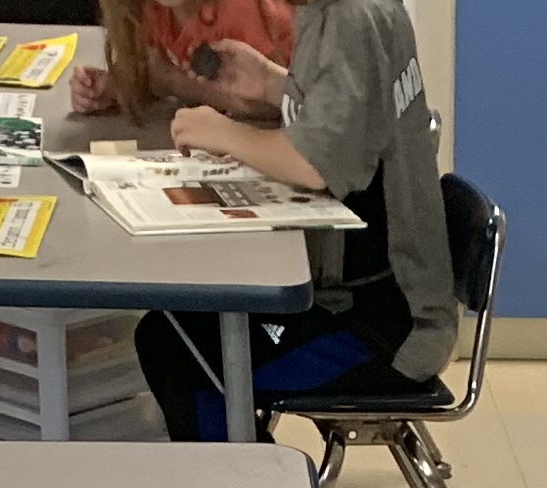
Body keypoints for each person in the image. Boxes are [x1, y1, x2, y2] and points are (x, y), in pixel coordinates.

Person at [137, 0, 455, 447]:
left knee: (190, 365)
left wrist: (223, 133)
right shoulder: (341, 10)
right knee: (169, 333)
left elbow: (316, 163)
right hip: (369, 297)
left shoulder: (350, 18)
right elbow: (351, 110)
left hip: (379, 326)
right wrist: (273, 84)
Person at [71, 0, 298, 128]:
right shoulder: (151, 7)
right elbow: (152, 72)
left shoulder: (241, 7)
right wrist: (113, 86)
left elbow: (267, 106)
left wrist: (171, 82)